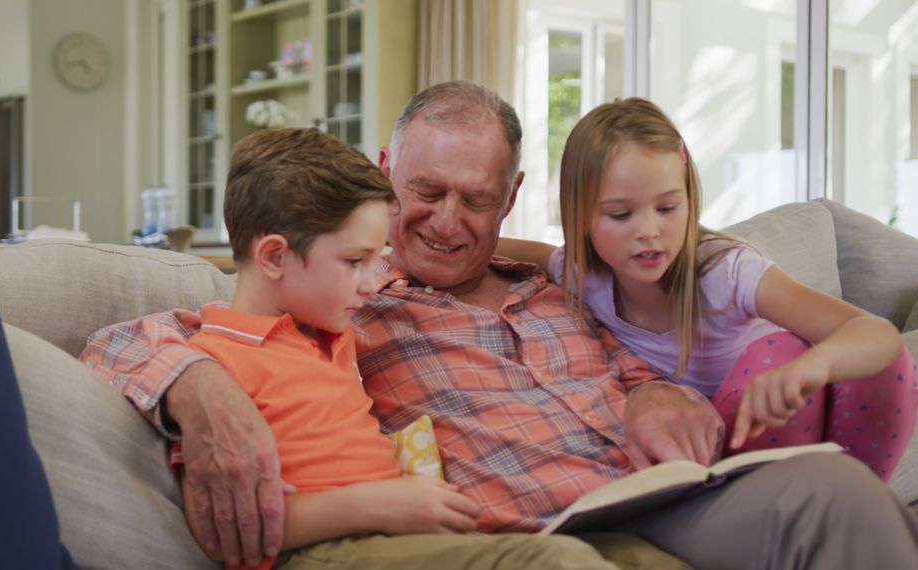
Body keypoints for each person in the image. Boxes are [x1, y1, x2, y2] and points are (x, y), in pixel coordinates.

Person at [82, 81, 918, 569]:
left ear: (510, 198)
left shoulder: (566, 282)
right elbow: (135, 333)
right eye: (426, 193)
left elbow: (646, 332)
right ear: (385, 175)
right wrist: (198, 390)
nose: (447, 222)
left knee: (835, 495)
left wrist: (654, 392)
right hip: (532, 529)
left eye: (475, 200)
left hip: (652, 491)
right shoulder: (341, 291)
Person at [169, 127, 649, 570]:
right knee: (558, 564)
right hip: (323, 551)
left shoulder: (327, 335)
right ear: (274, 256)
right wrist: (378, 504)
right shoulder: (212, 364)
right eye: (355, 262)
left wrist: (549, 257)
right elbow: (216, 525)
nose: (369, 282)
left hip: (400, 535)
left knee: (645, 557)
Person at [496, 97, 917, 480]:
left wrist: (812, 367)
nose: (649, 231)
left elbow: (876, 334)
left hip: (798, 415)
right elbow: (495, 245)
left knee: (807, 357)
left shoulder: (725, 272)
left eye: (667, 208)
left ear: (689, 198)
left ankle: (852, 515)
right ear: (580, 216)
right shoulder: (581, 274)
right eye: (621, 215)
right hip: (719, 454)